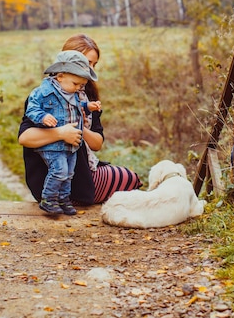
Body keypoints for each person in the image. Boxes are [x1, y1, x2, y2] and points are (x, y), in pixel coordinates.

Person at [18, 34, 142, 205]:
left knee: (129, 177)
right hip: (51, 177)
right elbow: (25, 138)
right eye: (87, 62)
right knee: (129, 179)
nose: (90, 69)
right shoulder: (44, 95)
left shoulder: (86, 96)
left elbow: (97, 144)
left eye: (94, 64)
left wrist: (80, 127)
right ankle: (60, 198)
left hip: (83, 168)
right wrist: (61, 132)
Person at [25, 50, 98, 215]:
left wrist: (88, 107)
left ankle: (64, 199)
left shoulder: (73, 93)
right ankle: (48, 199)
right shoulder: (44, 92)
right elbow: (32, 108)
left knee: (69, 173)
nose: (79, 88)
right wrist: (43, 116)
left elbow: (77, 107)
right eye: (76, 84)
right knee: (59, 171)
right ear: (60, 76)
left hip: (71, 145)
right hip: (53, 145)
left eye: (81, 85)